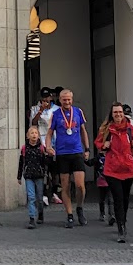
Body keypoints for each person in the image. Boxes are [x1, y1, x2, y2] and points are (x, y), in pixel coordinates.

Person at [45, 87, 89, 227]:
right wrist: (48, 147)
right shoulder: (55, 114)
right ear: (60, 100)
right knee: (65, 186)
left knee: (80, 185)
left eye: (69, 99)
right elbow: (49, 133)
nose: (67, 102)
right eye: (64, 100)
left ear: (72, 99)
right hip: (62, 153)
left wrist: (87, 149)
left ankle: (80, 207)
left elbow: (83, 131)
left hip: (76, 152)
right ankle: (69, 215)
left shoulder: (78, 112)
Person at [95, 103, 133, 242]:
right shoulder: (107, 129)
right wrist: (103, 145)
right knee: (118, 198)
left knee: (125, 198)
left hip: (127, 168)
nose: (118, 114)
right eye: (115, 112)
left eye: (120, 112)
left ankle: (123, 220)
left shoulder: (130, 128)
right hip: (112, 169)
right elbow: (98, 142)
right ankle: (121, 228)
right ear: (112, 114)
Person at [17, 124, 52, 228]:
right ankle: (32, 218)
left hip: (39, 175)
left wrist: (48, 156)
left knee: (40, 198)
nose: (34, 135)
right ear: (28, 136)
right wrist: (19, 176)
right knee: (31, 197)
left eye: (36, 133)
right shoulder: (24, 148)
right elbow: (21, 163)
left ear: (38, 136)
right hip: (29, 176)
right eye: (32, 133)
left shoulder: (41, 148)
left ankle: (40, 214)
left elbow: (46, 163)